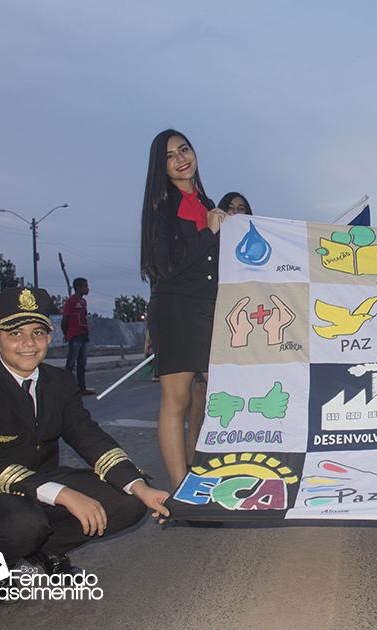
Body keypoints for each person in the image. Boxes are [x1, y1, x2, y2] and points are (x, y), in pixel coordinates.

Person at [0, 287, 170, 603]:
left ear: (50, 338)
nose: (28, 343)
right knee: (23, 524)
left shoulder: (59, 382)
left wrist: (139, 487)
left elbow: (89, 437)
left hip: (43, 482)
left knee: (129, 502)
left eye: (37, 332)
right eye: (15, 334)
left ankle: (45, 552)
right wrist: (64, 495)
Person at [140, 129, 226, 489]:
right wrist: (208, 233)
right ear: (162, 168)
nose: (181, 159)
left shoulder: (207, 203)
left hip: (210, 311)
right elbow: (168, 264)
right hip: (175, 309)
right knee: (175, 400)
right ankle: (180, 491)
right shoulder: (162, 208)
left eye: (184, 149)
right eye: (171, 156)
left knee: (211, 398)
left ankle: (202, 470)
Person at [62, 277, 94, 395]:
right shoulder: (71, 301)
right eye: (85, 286)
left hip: (83, 336)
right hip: (74, 336)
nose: (87, 289)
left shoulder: (83, 302)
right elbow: (65, 319)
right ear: (79, 288)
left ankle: (81, 387)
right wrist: (66, 334)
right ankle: (66, 388)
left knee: (82, 363)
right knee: (71, 363)